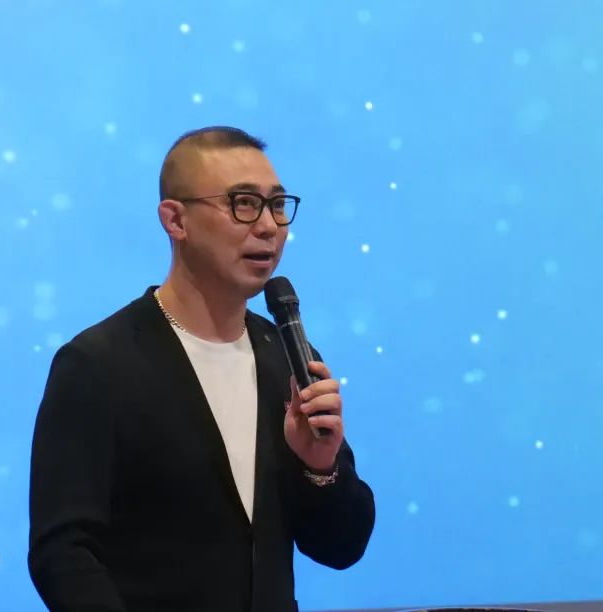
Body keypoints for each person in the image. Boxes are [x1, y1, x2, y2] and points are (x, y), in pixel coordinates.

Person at [28, 126, 375, 612]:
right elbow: (63, 552)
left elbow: (341, 547)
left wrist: (320, 467)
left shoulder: (285, 355)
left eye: (277, 205)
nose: (268, 226)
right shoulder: (98, 364)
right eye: (243, 203)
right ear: (176, 220)